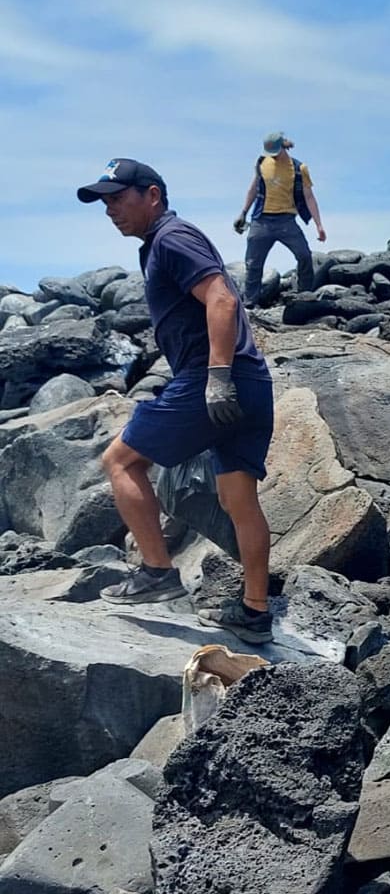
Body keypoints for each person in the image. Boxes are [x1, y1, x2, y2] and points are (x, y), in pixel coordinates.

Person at [81, 158, 277, 644]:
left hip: (213, 377)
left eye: (118, 198)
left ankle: (156, 573)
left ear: (152, 195)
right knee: (238, 498)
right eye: (105, 203)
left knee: (121, 461)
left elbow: (222, 299)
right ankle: (255, 611)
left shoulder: (171, 238)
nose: (110, 210)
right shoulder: (161, 243)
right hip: (252, 380)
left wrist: (216, 377)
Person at [233, 131, 326, 307]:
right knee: (253, 263)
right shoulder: (262, 163)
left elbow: (309, 197)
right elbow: (253, 189)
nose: (273, 156)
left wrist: (319, 225)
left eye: (275, 152)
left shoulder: (299, 168)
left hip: (286, 221)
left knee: (304, 256)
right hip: (261, 220)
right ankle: (250, 303)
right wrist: (243, 212)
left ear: (284, 147)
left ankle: (304, 296)